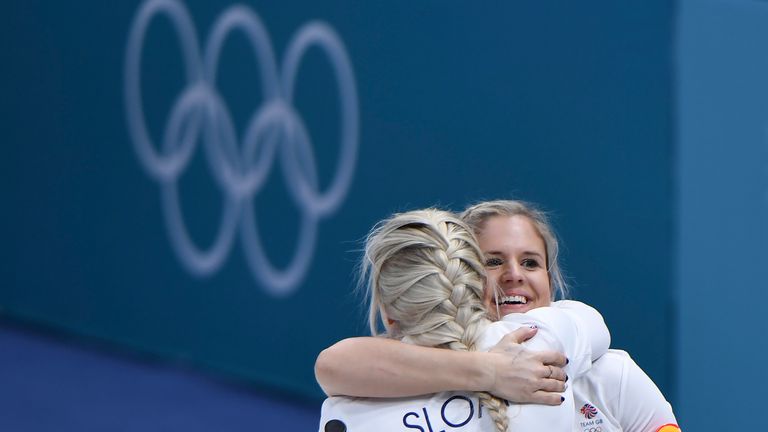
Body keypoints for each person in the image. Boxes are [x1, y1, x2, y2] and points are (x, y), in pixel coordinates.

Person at [316, 200, 679, 432]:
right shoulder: (392, 371)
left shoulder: (609, 372)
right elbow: (334, 364)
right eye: (493, 261)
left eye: (530, 262)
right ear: (459, 277)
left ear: (553, 280)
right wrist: (494, 371)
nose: (514, 274)